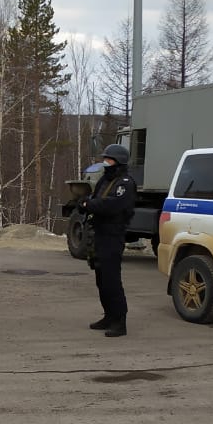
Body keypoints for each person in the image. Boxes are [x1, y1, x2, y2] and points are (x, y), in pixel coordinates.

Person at [79, 143, 137, 337]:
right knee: (101, 279)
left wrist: (90, 204)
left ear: (118, 161)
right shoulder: (106, 179)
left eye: (109, 159)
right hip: (99, 233)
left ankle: (120, 321)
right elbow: (96, 198)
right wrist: (85, 203)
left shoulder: (125, 183)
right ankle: (109, 316)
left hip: (113, 235)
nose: (106, 162)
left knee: (112, 280)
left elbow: (112, 205)